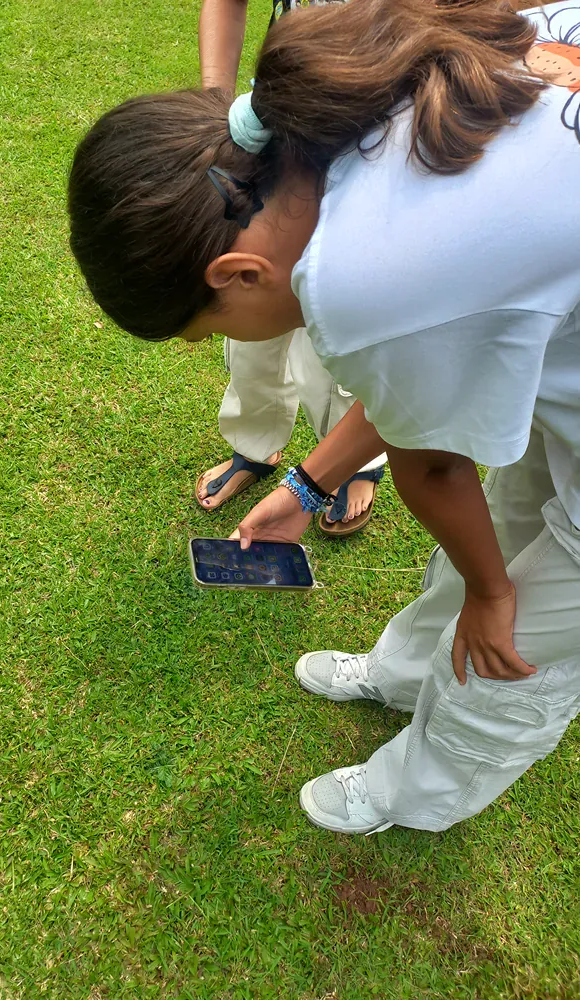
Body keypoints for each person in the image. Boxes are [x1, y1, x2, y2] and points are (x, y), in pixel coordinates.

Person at [67, 0, 580, 834]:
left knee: (515, 642)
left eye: (209, 331)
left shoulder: (356, 283)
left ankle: (419, 793)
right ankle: (407, 671)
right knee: (517, 522)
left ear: (236, 273)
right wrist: (307, 488)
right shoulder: (334, 100)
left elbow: (436, 464)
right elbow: (421, 369)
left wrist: (491, 595)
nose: (218, 343)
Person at [197, 0, 386, 535]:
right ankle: (255, 445)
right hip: (273, 129)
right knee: (250, 318)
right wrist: (219, 107)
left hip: (375, 150)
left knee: (338, 327)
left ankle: (350, 461)